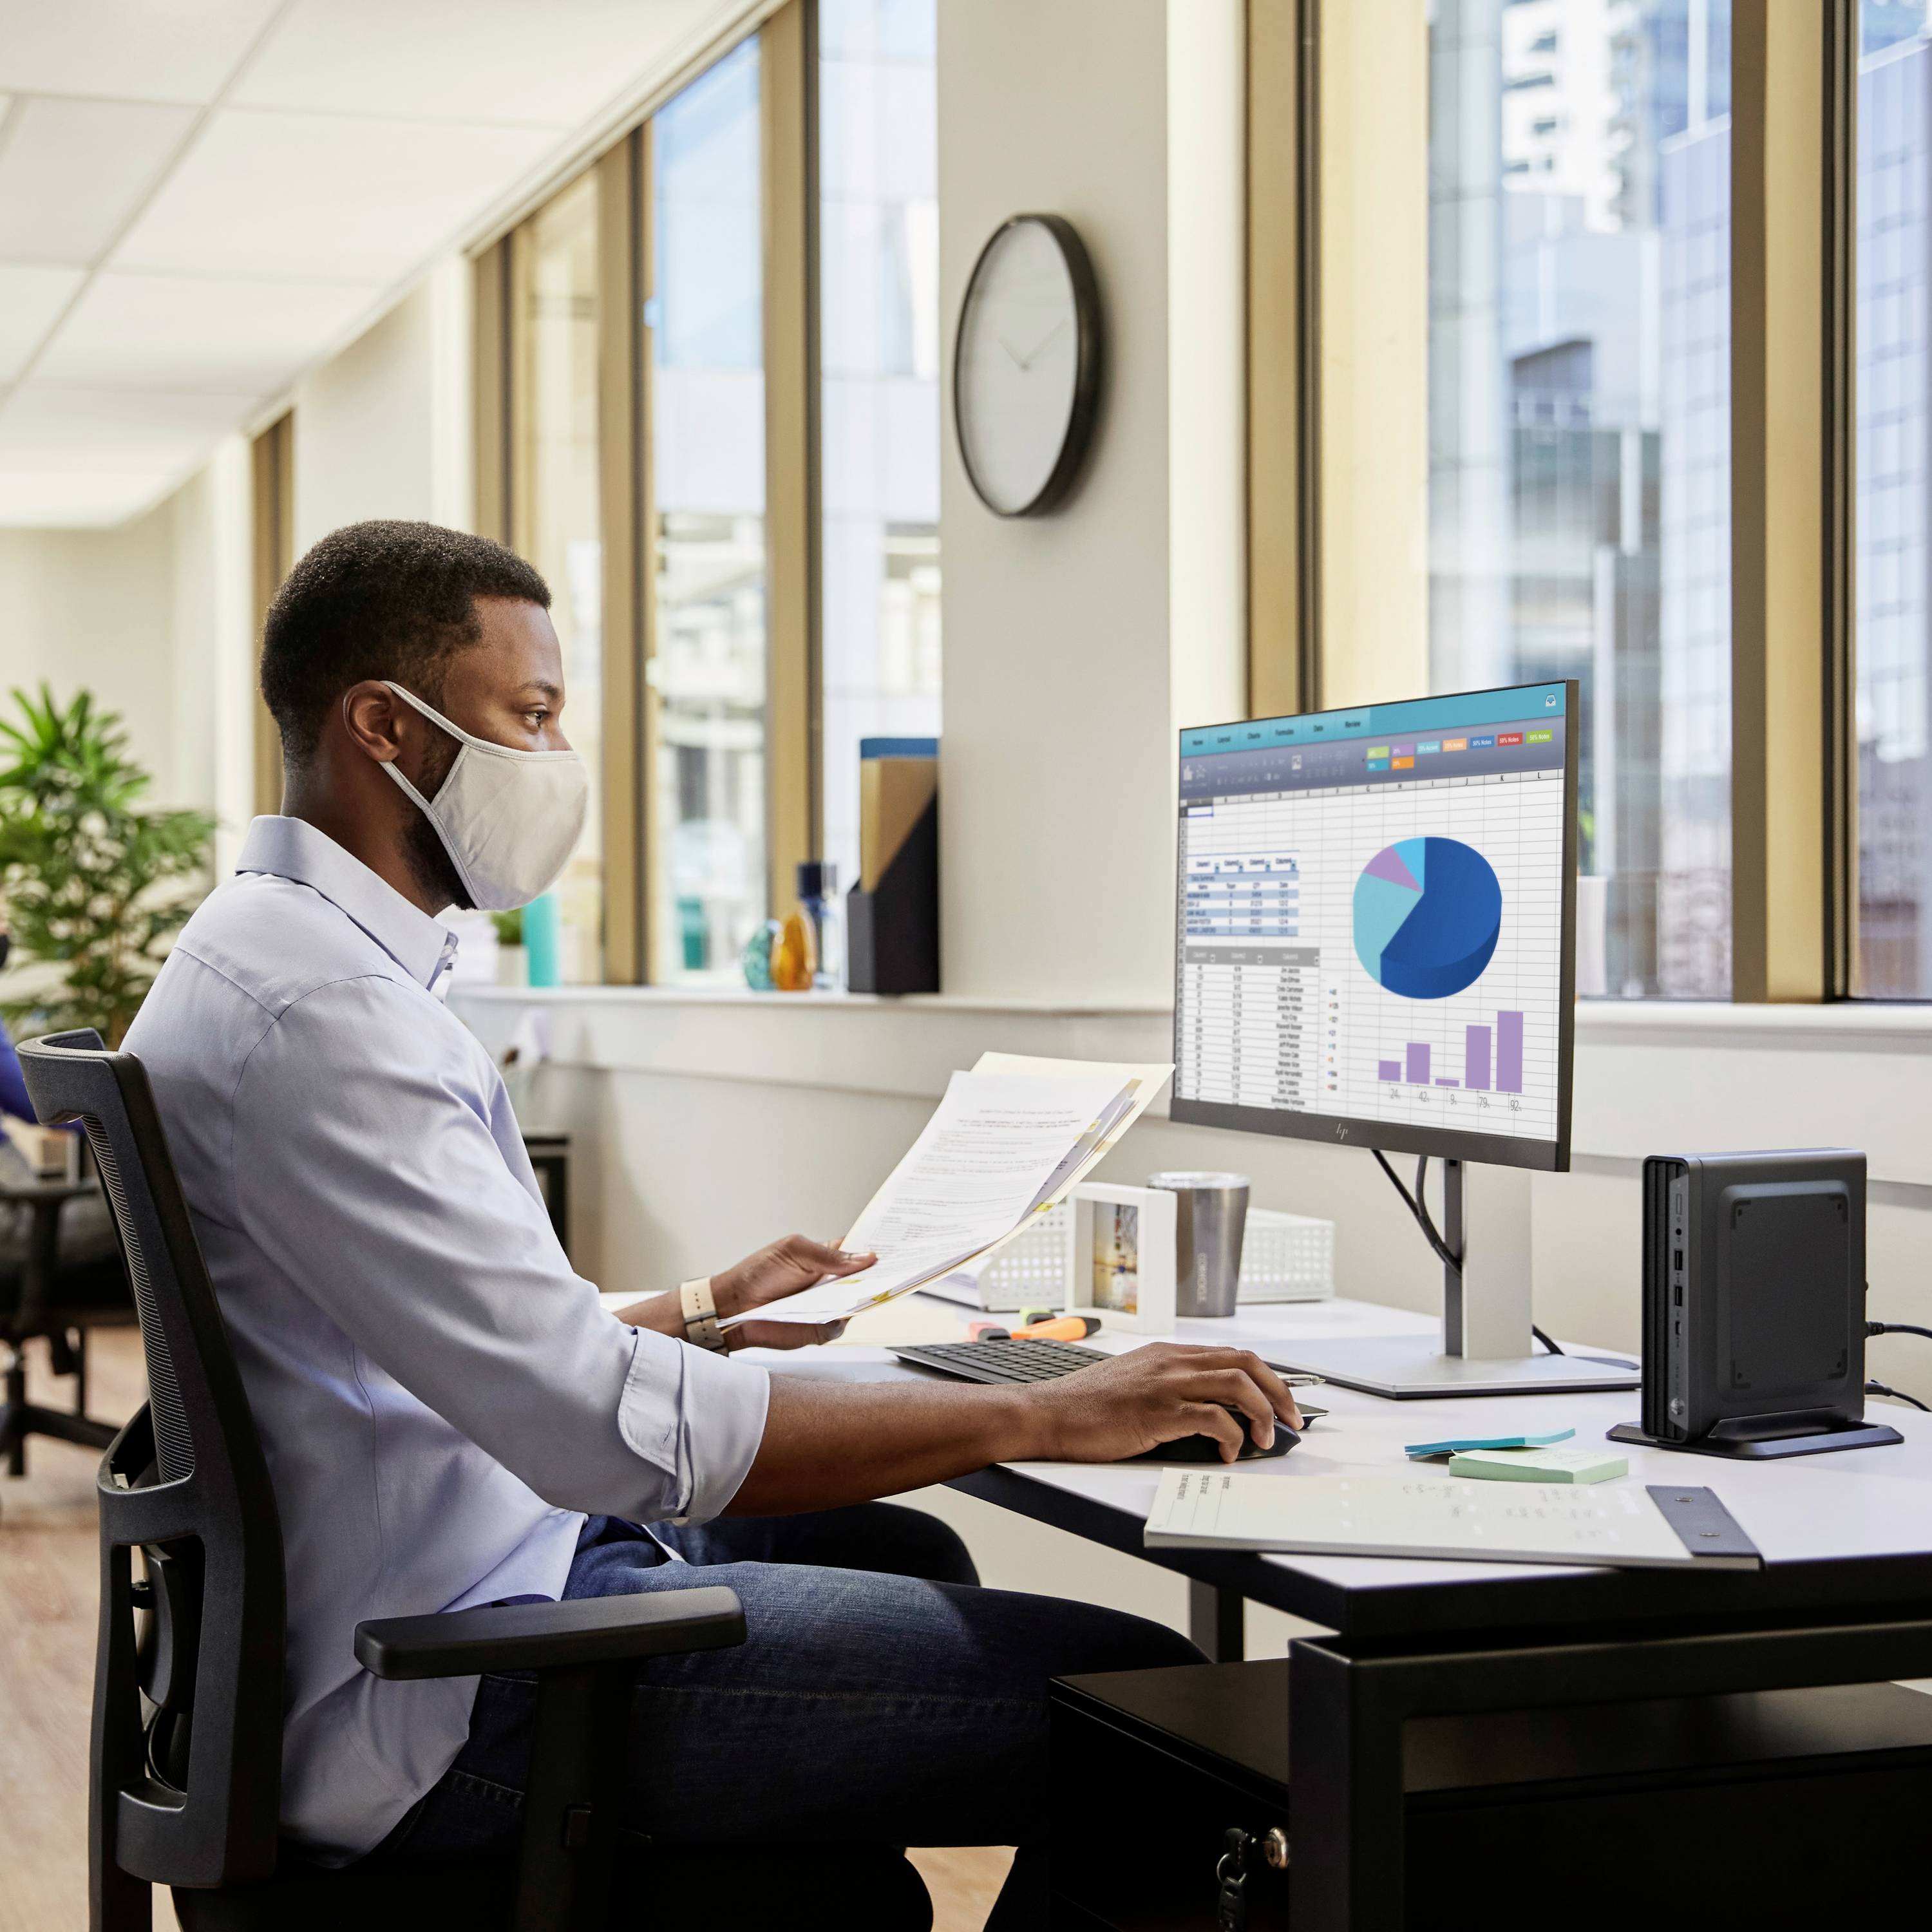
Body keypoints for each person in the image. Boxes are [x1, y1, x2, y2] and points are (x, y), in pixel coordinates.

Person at [124, 521, 1301, 1926]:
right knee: (1154, 1709)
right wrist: (1042, 1414)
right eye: (533, 716)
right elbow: (597, 1432)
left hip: (433, 1582)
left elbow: (391, 1344)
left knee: (908, 1552)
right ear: (384, 726)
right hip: (451, 1692)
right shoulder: (325, 1015)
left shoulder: (267, 959)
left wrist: (691, 1313)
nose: (557, 764)